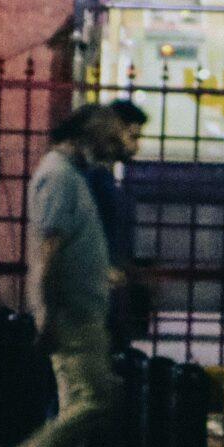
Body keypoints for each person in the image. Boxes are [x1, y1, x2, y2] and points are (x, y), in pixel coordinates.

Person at [0, 103, 125, 447]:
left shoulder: (67, 175)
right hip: (74, 315)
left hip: (77, 310)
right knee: (97, 401)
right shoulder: (61, 177)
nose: (113, 145)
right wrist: (45, 312)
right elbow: (48, 251)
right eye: (107, 136)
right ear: (84, 135)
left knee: (75, 407)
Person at [84, 99, 150, 345]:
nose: (135, 147)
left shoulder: (103, 174)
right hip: (97, 284)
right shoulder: (95, 176)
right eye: (132, 137)